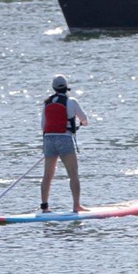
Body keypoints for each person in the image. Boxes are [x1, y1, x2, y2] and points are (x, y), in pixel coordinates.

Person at [40, 74, 89, 213]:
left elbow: (43, 125)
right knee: (73, 173)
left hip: (48, 140)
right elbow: (84, 120)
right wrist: (81, 124)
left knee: (47, 175)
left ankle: (44, 207)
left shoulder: (47, 102)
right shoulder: (71, 101)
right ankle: (76, 206)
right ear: (66, 87)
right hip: (64, 139)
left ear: (54, 88)